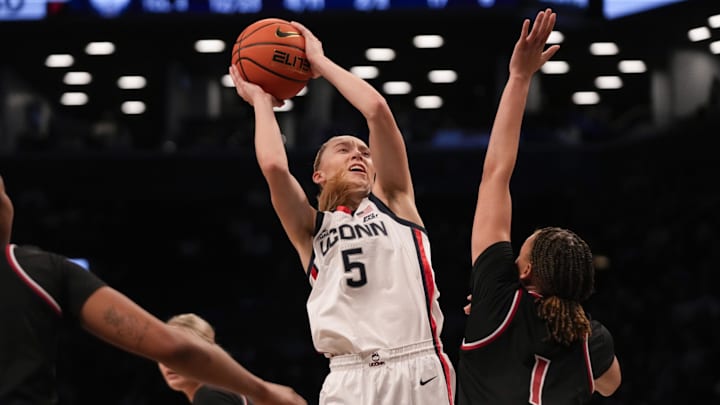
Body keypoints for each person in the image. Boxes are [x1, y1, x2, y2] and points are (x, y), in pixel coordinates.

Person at [229, 20, 455, 405]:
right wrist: (262, 103)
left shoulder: (396, 202)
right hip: (347, 379)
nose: (359, 154)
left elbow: (377, 110)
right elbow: (273, 167)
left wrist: (319, 61)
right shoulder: (310, 229)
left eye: (365, 152)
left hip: (417, 367)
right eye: (344, 148)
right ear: (317, 174)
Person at [0, 174, 306, 405]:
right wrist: (263, 392)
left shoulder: (212, 395)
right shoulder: (34, 270)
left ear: (209, 347)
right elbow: (175, 348)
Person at [456, 8, 622, 404]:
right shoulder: (591, 339)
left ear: (526, 270)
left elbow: (496, 172)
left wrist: (518, 77)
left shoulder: (498, 298)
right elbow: (611, 384)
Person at [158, 313, 254, 405]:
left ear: (207, 354)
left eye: (182, 352)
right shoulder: (222, 390)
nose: (170, 362)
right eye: (164, 353)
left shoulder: (209, 394)